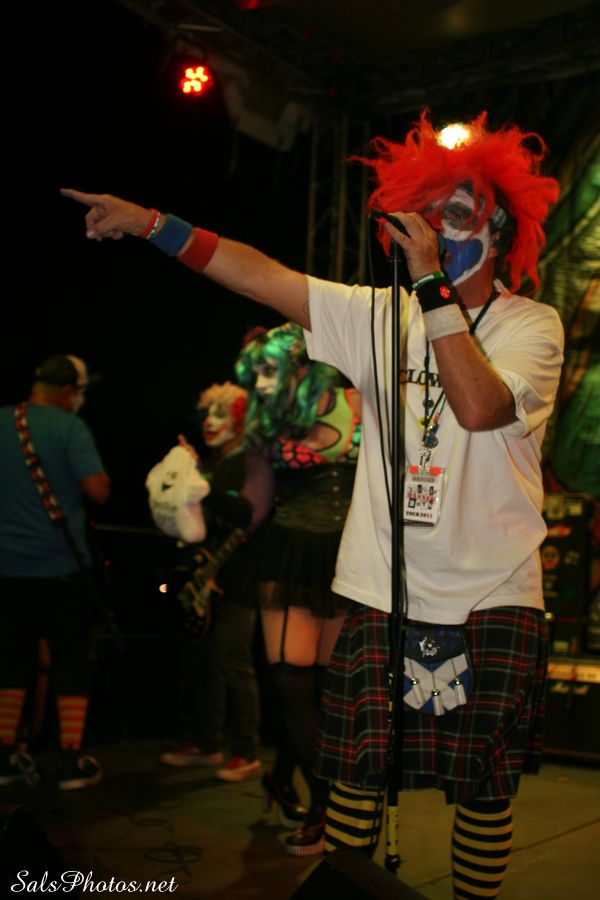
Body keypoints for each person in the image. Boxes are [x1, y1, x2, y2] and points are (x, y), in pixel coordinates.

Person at [61, 107, 564, 893]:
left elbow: (477, 406)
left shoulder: (533, 325)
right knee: (353, 779)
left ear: (498, 231)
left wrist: (430, 283)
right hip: (381, 588)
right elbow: (258, 273)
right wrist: (152, 223)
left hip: (492, 594)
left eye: (457, 213)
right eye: (426, 212)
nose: (435, 227)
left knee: (481, 790)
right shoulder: (377, 316)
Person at [234, 322, 361, 855]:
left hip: (347, 558)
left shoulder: (357, 403)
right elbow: (255, 505)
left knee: (329, 692)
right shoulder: (264, 424)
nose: (262, 384)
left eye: (271, 370)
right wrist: (198, 503)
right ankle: (324, 807)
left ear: (303, 368)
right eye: (257, 374)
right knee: (289, 680)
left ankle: (286, 778)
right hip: (289, 555)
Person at [0, 354, 110, 790]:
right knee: (69, 660)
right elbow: (98, 490)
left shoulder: (3, 421)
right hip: (61, 566)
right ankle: (69, 758)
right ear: (68, 391)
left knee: (10, 660)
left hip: (7, 568)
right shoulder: (71, 428)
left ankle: (5, 756)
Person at [159, 381, 270, 783]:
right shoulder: (214, 462)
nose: (210, 421)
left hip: (238, 578)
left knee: (234, 662)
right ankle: (206, 742)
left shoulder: (249, 462)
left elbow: (244, 514)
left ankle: (246, 751)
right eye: (207, 413)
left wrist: (200, 483)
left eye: (221, 414)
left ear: (240, 421)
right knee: (202, 662)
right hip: (205, 578)